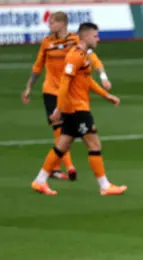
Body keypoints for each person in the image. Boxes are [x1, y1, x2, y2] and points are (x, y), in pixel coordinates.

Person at [31, 22, 125, 196]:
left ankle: (39, 180)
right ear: (86, 36)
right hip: (76, 109)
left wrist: (106, 95)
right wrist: (58, 108)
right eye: (96, 36)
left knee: (62, 145)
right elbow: (65, 82)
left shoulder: (82, 55)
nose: (98, 39)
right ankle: (105, 186)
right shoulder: (75, 56)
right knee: (94, 144)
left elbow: (87, 80)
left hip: (75, 107)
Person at [22, 11, 112, 181]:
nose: (49, 26)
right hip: (51, 90)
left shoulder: (75, 41)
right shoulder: (47, 42)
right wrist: (29, 87)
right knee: (60, 129)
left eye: (52, 22)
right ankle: (67, 168)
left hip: (68, 93)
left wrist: (103, 76)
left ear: (62, 23)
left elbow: (92, 58)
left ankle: (49, 174)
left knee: (66, 134)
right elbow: (38, 66)